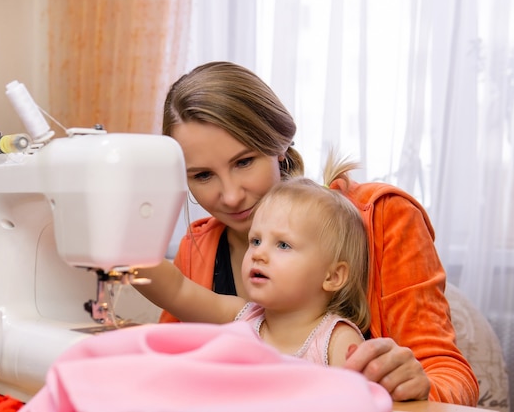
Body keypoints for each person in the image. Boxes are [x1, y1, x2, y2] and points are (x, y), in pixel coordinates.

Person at [141, 61, 479, 405]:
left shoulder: (384, 217)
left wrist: (414, 388)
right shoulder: (197, 249)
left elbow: (452, 376)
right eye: (202, 176)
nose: (230, 196)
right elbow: (169, 367)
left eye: (244, 162)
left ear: (279, 145)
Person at [135, 156, 370, 366]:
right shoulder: (244, 317)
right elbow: (178, 291)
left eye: (283, 245)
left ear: (332, 276)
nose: (258, 253)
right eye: (255, 241)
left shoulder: (337, 341)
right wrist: (126, 250)